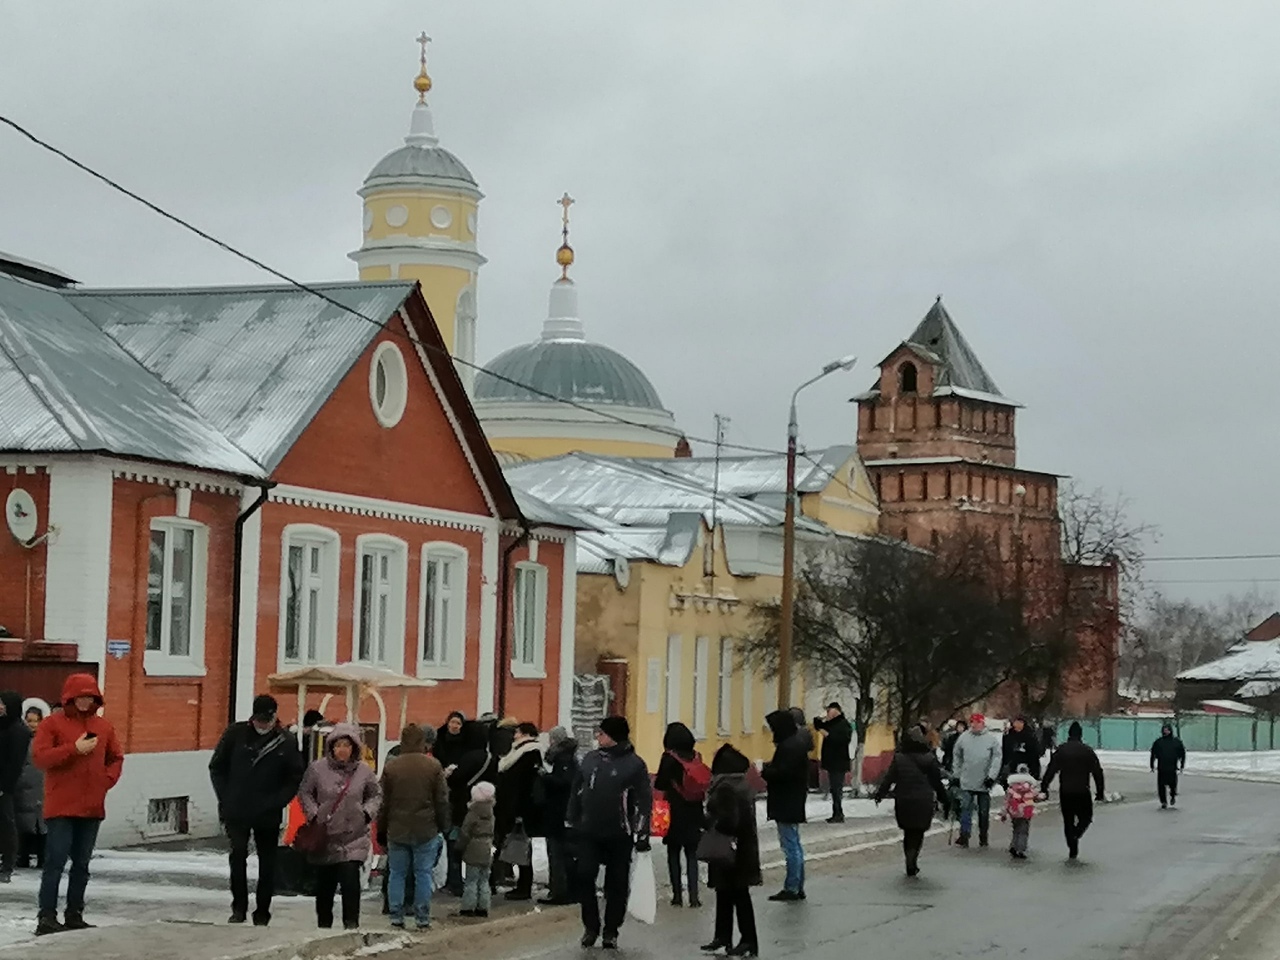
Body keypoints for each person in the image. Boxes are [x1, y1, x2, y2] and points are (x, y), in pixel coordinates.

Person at [32, 673, 124, 936]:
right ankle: (46, 916)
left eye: (89, 697)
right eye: (79, 697)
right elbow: (41, 758)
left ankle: (74, 913)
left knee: (82, 864)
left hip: (92, 806)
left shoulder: (104, 727)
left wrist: (105, 781)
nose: (84, 702)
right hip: (61, 806)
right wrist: (73, 749)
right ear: (69, 698)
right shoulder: (52, 724)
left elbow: (116, 757)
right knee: (55, 862)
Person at [208, 693, 305, 926]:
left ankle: (262, 911)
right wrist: (226, 797)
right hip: (237, 809)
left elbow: (294, 777)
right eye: (259, 720)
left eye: (267, 720)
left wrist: (278, 801)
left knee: (267, 862)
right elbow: (217, 766)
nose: (263, 725)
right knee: (238, 855)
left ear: (274, 717)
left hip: (268, 811)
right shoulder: (235, 734)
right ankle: (238, 908)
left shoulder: (286, 741)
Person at [569, 716, 652, 950]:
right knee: (584, 875)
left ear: (614, 736)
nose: (598, 736)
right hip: (589, 830)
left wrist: (642, 830)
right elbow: (577, 788)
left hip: (619, 832)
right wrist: (572, 817)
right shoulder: (590, 759)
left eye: (602, 733)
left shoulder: (634, 764)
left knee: (616, 883)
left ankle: (611, 930)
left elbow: (644, 801)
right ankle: (591, 926)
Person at [297, 723, 382, 930]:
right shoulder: (317, 769)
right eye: (338, 745)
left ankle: (351, 924)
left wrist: (366, 812)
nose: (342, 750)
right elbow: (305, 792)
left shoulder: (364, 771)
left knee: (350, 882)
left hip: (354, 837)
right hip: (325, 836)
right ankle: (324, 924)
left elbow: (375, 794)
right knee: (325, 886)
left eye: (346, 745)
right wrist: (314, 814)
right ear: (331, 747)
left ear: (354, 747)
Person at [377, 723, 449, 930]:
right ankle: (422, 916)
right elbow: (441, 801)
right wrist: (443, 825)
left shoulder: (392, 766)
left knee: (397, 874)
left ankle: (396, 915)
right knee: (423, 873)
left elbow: (384, 803)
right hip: (426, 828)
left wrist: (382, 829)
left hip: (397, 828)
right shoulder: (433, 766)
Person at [700, 744, 761, 958]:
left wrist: (708, 822)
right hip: (742, 849)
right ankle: (729, 938)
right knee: (730, 894)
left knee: (734, 895)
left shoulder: (726, 787)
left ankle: (743, 940)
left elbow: (729, 820)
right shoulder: (741, 783)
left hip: (730, 850)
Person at [873, 727, 948, 877]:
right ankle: (912, 859)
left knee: (908, 831)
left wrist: (880, 794)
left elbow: (889, 777)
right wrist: (944, 799)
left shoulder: (899, 757)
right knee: (918, 832)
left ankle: (909, 858)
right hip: (923, 799)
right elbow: (936, 782)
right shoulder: (929, 758)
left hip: (904, 798)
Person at [654, 721, 706, 907]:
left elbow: (660, 783)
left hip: (675, 810)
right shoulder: (696, 757)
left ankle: (677, 895)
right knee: (692, 854)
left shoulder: (668, 758)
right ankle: (694, 896)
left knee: (673, 852)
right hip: (694, 810)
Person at [1040, 721, 1106, 860]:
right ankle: (1077, 833)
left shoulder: (1062, 750)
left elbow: (1051, 770)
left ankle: (1072, 846)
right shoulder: (1087, 751)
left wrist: (1044, 787)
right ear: (1081, 734)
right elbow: (1097, 772)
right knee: (1086, 817)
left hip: (1066, 790)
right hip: (1082, 790)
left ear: (1069, 734)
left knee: (1068, 820)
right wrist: (1100, 792)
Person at [762, 710, 808, 902]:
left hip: (786, 801)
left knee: (790, 845)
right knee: (794, 844)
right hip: (793, 799)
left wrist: (765, 771)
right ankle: (797, 886)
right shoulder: (796, 744)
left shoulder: (788, 747)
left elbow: (783, 773)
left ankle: (792, 887)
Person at [495, 721, 543, 900]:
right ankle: (521, 884)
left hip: (518, 810)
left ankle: (524, 886)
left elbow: (521, 787)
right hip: (515, 808)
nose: (514, 736)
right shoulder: (522, 752)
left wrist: (518, 813)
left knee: (521, 847)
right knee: (518, 846)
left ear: (523, 733)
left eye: (516, 732)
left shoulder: (528, 753)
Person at [446, 719, 495, 896]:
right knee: (482, 846)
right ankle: (486, 884)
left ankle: (456, 882)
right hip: (486, 809)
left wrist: (450, 774)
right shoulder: (491, 758)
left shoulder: (468, 757)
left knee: (456, 843)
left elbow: (456, 780)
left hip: (463, 807)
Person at [540, 725, 579, 906]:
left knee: (558, 854)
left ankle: (560, 892)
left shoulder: (563, 759)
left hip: (559, 813)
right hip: (563, 813)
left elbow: (564, 784)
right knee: (563, 853)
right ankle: (566, 890)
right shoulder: (567, 757)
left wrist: (545, 778)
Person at [951, 713, 1002, 848]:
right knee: (965, 808)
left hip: (984, 781)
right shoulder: (963, 738)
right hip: (967, 779)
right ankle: (964, 835)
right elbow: (957, 756)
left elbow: (996, 759)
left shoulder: (991, 740)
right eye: (973, 722)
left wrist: (991, 776)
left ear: (983, 723)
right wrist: (956, 775)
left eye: (978, 722)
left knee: (983, 811)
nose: (975, 725)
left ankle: (983, 836)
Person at [0, 690, 32, 883]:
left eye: (2, 704)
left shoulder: (18, 730)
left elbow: (15, 763)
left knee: (7, 824)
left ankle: (8, 864)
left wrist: (5, 786)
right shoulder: (2, 725)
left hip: (6, 786)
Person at [457, 781, 496, 918]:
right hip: (487, 846)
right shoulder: (491, 813)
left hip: (473, 847)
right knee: (484, 880)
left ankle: (468, 907)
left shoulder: (472, 813)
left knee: (471, 880)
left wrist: (459, 847)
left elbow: (465, 832)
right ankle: (483, 907)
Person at [15, 706, 46, 870]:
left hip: (41, 784)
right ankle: (23, 856)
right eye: (29, 720)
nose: (32, 724)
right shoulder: (22, 738)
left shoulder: (45, 739)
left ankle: (42, 857)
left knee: (42, 824)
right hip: (23, 786)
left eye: (35, 721)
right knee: (23, 823)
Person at [813, 703, 854, 824]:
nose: (828, 713)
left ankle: (838, 813)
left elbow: (844, 740)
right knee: (834, 789)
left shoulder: (843, 724)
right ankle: (836, 813)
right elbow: (818, 725)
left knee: (837, 789)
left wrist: (829, 735)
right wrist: (819, 718)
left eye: (829, 710)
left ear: (836, 711)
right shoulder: (831, 723)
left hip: (839, 761)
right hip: (832, 761)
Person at [1001, 763, 1041, 860]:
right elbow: (1036, 797)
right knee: (1023, 831)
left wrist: (1004, 813)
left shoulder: (1012, 787)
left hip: (1014, 811)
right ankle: (1021, 849)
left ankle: (1014, 846)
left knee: (1016, 829)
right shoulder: (1030, 787)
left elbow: (1007, 800)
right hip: (1026, 811)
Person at [1150, 724, 1186, 809]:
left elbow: (1182, 754)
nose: (1165, 731)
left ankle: (1173, 796)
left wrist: (1182, 765)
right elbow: (1153, 754)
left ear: (1170, 731)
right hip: (1162, 767)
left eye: (1167, 730)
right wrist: (1152, 765)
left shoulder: (1176, 742)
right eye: (1164, 730)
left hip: (1172, 767)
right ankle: (1163, 801)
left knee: (1173, 784)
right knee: (1161, 785)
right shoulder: (1159, 742)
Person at [1001, 716, 1042, 782]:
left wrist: (1035, 772)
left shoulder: (1030, 736)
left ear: (1023, 723)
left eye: (1019, 722)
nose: (1016, 724)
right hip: (1011, 766)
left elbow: (1035, 754)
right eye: (1015, 722)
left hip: (1026, 767)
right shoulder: (1009, 736)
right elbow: (1005, 751)